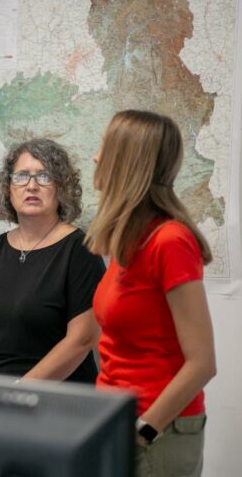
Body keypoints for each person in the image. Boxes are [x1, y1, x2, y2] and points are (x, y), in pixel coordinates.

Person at [86, 110, 216, 477]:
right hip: (115, 421)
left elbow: (202, 363)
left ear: (126, 161)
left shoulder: (170, 241)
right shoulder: (129, 239)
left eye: (104, 147)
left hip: (157, 433)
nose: (95, 157)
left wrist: (144, 431)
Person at [0, 138, 104, 382]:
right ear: (8, 188)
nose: (32, 186)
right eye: (21, 176)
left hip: (55, 396)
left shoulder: (80, 251)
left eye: (44, 176)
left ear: (61, 187)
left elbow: (82, 339)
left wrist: (19, 390)